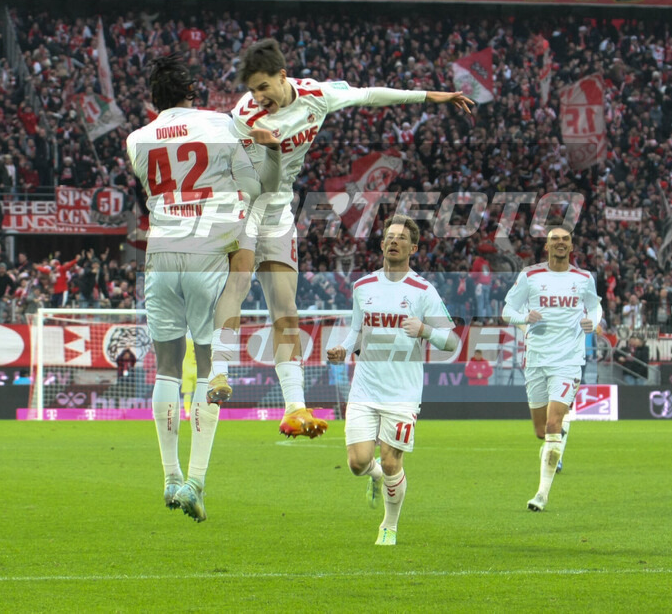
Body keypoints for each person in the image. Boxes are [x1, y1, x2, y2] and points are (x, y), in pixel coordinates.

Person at [210, 37, 474, 439]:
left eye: (263, 87)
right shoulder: (244, 118)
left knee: (286, 308)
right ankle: (218, 374)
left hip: (279, 209)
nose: (258, 97)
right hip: (242, 203)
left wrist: (431, 97)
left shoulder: (317, 94)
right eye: (251, 90)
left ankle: (295, 407)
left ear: (283, 76)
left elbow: (371, 95)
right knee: (241, 281)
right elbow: (242, 168)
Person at [125, 54, 273, 522]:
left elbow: (150, 190)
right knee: (209, 366)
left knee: (167, 367)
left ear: (155, 100)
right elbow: (253, 183)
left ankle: (168, 478)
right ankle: (196, 480)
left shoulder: (137, 139)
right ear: (192, 93)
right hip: (206, 249)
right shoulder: (220, 123)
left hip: (160, 254)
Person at [327, 215, 457, 546]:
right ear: (383, 244)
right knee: (357, 463)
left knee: (390, 461)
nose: (394, 241)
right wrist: (344, 348)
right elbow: (357, 330)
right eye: (389, 236)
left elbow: (452, 341)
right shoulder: (362, 286)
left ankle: (389, 524)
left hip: (402, 393)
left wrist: (425, 331)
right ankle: (375, 479)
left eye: (401, 237)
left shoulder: (424, 291)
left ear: (413, 248)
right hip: (365, 388)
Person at [502, 227, 603, 512]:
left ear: (571, 246)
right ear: (546, 246)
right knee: (540, 431)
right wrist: (525, 316)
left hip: (569, 359)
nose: (560, 243)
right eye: (555, 239)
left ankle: (541, 495)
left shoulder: (583, 279)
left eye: (565, 239)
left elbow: (596, 308)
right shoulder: (530, 276)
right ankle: (560, 436)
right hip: (536, 359)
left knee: (552, 425)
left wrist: (591, 322)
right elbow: (507, 311)